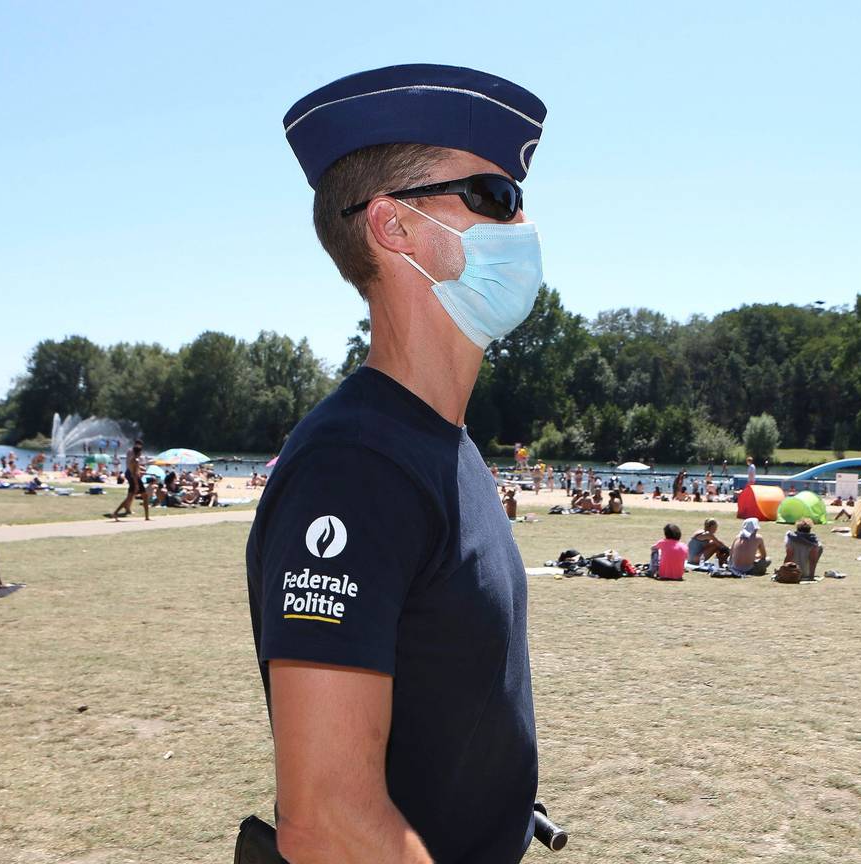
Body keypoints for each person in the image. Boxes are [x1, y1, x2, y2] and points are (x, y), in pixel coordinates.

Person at [247, 65, 549, 864]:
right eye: (494, 197)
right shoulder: (355, 469)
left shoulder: (440, 444)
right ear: (394, 228)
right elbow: (328, 820)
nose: (523, 223)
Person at [112, 439, 150, 521]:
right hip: (135, 478)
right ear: (139, 452)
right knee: (143, 496)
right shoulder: (135, 460)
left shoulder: (133, 459)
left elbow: (135, 469)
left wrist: (141, 471)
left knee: (132, 497)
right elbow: (134, 473)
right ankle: (146, 517)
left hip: (134, 477)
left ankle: (116, 512)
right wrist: (136, 484)